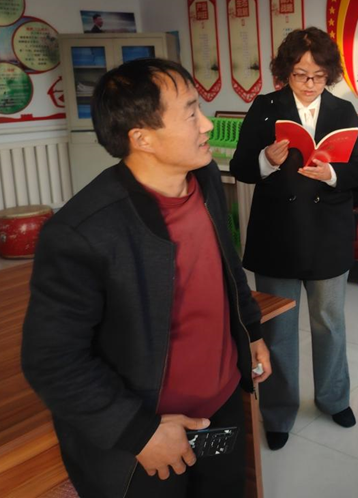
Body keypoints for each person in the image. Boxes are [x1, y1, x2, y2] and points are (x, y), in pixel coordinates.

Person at [22, 58, 271, 498]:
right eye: (191, 113)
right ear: (142, 138)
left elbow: (227, 266)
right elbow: (52, 360)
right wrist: (137, 432)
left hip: (221, 405)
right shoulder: (82, 231)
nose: (207, 125)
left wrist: (250, 331)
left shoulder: (204, 178)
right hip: (148, 435)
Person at [230, 27, 358, 451]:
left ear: (330, 73)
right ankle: (278, 412)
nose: (309, 84)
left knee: (329, 323)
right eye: (299, 75)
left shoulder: (342, 110)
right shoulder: (264, 108)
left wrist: (331, 173)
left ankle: (334, 398)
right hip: (278, 235)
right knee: (278, 331)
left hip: (327, 233)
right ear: (284, 72)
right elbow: (240, 167)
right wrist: (265, 160)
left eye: (318, 76)